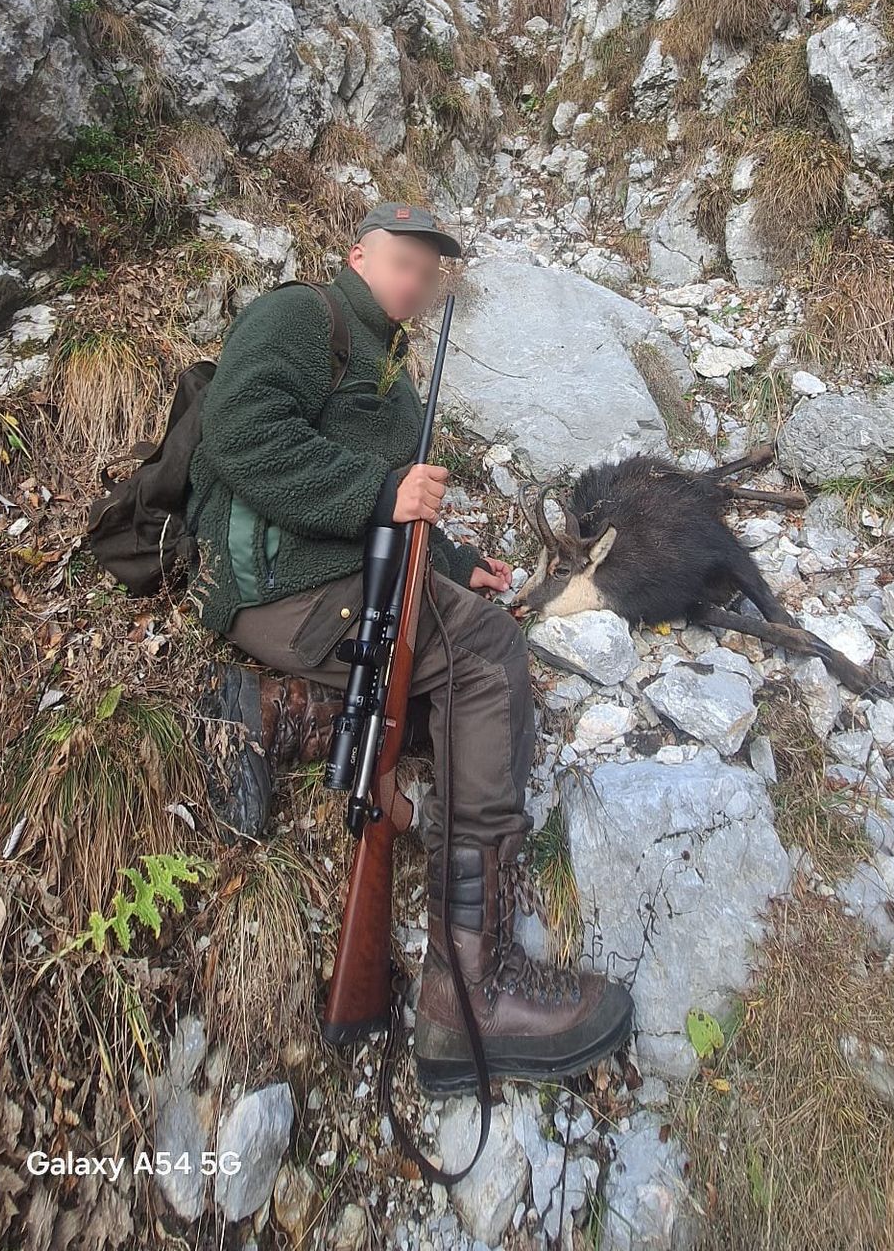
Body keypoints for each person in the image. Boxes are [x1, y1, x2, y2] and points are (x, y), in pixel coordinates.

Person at [184, 200, 633, 1090]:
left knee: (463, 692)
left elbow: (400, 506)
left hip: (335, 583)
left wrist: (459, 565)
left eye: (430, 273)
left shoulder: (389, 365)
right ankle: (472, 986)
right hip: (281, 587)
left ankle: (269, 715)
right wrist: (379, 493)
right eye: (403, 262)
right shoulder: (301, 316)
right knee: (487, 660)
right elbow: (241, 433)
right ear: (358, 255)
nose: (417, 282)